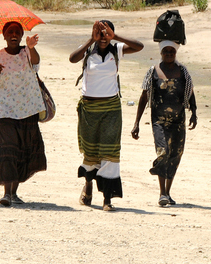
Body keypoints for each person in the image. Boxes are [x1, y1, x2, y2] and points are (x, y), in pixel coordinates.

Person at [69, 20, 144, 211]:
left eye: (106, 34)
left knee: (110, 153)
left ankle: (107, 199)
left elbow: (140, 46)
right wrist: (90, 40)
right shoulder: (87, 50)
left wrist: (115, 37)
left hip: (111, 109)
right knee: (91, 152)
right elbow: (72, 58)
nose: (103, 38)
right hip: (89, 110)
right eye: (100, 34)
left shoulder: (116, 49)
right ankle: (88, 186)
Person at [0, 21, 47, 207]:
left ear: (21, 36)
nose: (13, 34)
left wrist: (30, 47)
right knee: (7, 151)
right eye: (10, 32)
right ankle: (6, 193)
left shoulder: (27, 53)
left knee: (22, 152)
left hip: (28, 111)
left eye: (17, 32)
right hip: (5, 112)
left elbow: (35, 63)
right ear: (3, 36)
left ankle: (14, 193)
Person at [131, 41, 197, 206]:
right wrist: (136, 122)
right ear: (161, 53)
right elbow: (144, 96)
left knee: (175, 156)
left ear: (175, 52)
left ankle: (167, 192)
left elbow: (190, 92)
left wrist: (194, 113)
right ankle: (162, 193)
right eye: (166, 51)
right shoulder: (153, 71)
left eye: (172, 51)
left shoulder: (182, 71)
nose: (169, 54)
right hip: (159, 121)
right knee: (163, 153)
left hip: (178, 122)